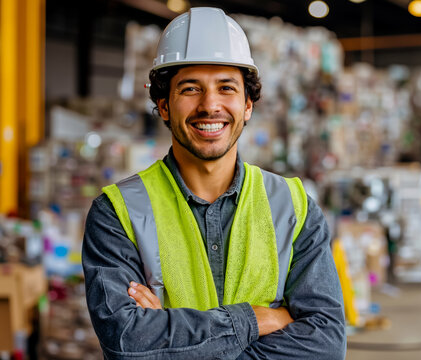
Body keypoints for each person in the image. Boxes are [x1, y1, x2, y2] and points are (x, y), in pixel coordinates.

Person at [82, 7, 346, 360]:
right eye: (190, 89)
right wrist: (254, 320)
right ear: (163, 105)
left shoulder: (293, 206)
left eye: (226, 88)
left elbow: (326, 346)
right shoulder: (117, 213)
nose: (210, 105)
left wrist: (170, 335)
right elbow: (127, 345)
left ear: (248, 104)